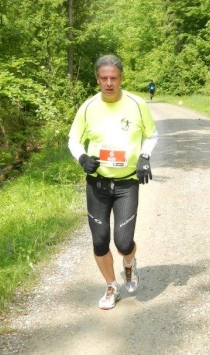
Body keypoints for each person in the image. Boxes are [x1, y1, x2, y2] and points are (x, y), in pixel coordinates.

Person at [68, 55, 158, 310]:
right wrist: (82, 158)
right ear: (97, 79)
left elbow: (152, 135)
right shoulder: (88, 107)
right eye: (104, 78)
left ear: (121, 78)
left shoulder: (137, 104)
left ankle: (129, 263)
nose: (109, 83)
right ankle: (111, 286)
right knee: (99, 241)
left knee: (123, 243)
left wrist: (144, 157)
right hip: (97, 185)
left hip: (126, 184)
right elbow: (73, 140)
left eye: (114, 78)